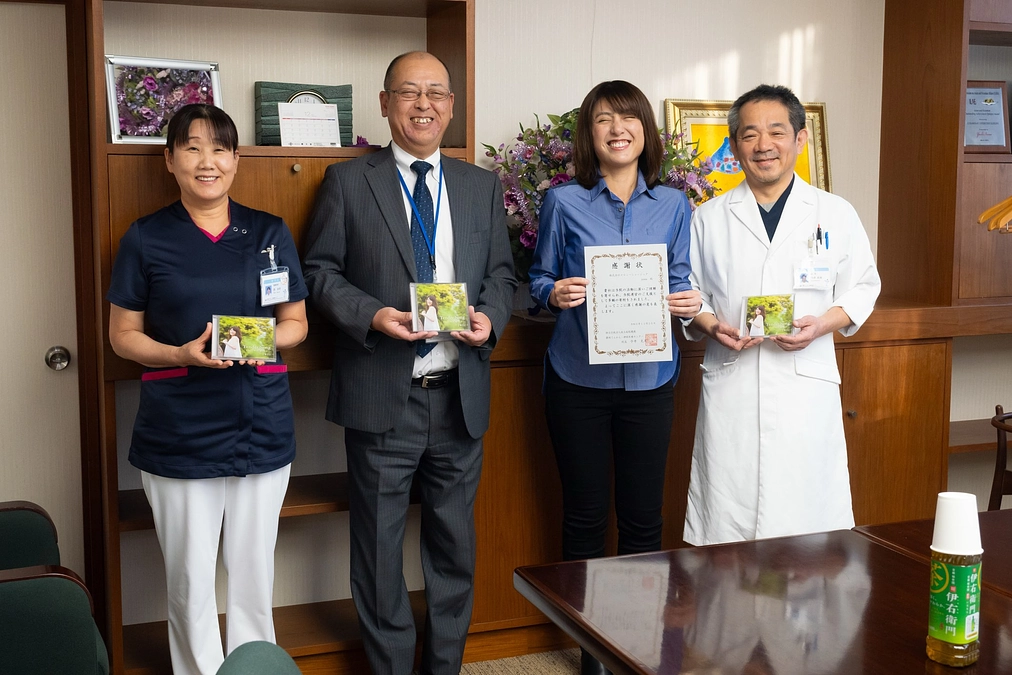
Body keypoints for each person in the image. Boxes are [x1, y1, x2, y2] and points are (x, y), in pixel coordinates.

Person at [302, 51, 515, 675]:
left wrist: (490, 319)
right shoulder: (349, 182)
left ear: (451, 106)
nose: (424, 105)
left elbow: (502, 275)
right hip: (381, 393)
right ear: (385, 103)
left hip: (459, 394)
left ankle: (444, 668)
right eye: (409, 93)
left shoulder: (481, 186)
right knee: (377, 551)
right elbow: (319, 272)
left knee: (454, 549)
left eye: (436, 94)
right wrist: (373, 315)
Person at [106, 104, 309, 675]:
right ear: (170, 160)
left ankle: (253, 670)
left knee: (252, 573)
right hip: (179, 426)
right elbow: (123, 336)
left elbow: (296, 323)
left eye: (220, 148)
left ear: (237, 160)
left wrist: (259, 340)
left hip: (259, 420)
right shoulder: (145, 238)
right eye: (192, 148)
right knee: (191, 578)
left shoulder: (269, 232)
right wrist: (178, 353)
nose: (207, 161)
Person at [528, 80, 700, 675]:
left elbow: (680, 274)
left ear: (645, 131)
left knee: (643, 521)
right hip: (577, 381)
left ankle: (635, 643)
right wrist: (555, 292)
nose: (617, 129)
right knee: (582, 518)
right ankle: (591, 653)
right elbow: (537, 279)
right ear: (590, 133)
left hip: (650, 380)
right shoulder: (563, 201)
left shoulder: (675, 204)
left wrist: (685, 298)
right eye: (604, 119)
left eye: (628, 119)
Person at [683, 84, 881, 546]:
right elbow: (689, 295)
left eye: (776, 131)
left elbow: (865, 285)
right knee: (728, 522)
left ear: (800, 139)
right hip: (733, 378)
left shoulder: (835, 213)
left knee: (807, 526)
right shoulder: (708, 218)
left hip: (804, 386)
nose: (763, 145)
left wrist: (822, 325)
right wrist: (713, 326)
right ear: (734, 146)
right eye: (749, 135)